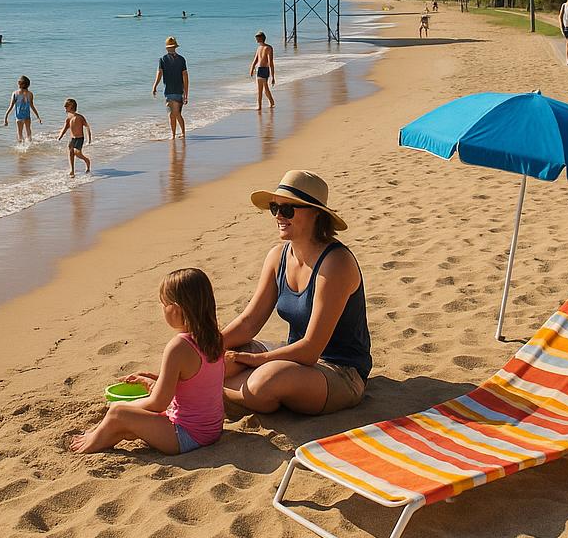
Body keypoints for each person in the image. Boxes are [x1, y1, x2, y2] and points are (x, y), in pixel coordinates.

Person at [221, 171, 371, 416]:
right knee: (218, 360)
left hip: (339, 370)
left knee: (263, 383)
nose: (279, 215)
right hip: (294, 360)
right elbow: (248, 322)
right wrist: (204, 347)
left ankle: (212, 391)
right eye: (275, 208)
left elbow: (311, 348)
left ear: (315, 214)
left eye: (288, 209)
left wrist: (255, 360)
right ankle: (221, 387)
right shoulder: (277, 256)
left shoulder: (336, 263)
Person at [70, 268, 225, 455]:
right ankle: (105, 433)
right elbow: (196, 384)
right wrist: (154, 382)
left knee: (118, 412)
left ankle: (91, 443)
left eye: (163, 304)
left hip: (187, 436)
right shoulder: (215, 338)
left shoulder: (179, 346)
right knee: (127, 427)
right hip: (212, 431)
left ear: (175, 310)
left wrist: (123, 406)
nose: (162, 308)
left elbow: (158, 403)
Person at [153, 36, 188, 139]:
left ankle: (174, 135)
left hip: (169, 91)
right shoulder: (181, 59)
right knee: (176, 114)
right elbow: (185, 77)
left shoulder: (163, 59)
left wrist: (154, 86)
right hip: (178, 91)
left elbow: (159, 74)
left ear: (167, 48)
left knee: (172, 114)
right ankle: (180, 133)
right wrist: (186, 93)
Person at [59, 98, 92, 176]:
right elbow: (65, 128)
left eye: (66, 106)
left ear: (72, 106)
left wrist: (89, 138)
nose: (65, 108)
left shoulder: (80, 117)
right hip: (72, 138)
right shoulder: (68, 118)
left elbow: (87, 126)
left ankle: (86, 160)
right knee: (70, 153)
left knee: (77, 153)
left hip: (80, 138)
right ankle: (72, 170)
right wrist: (60, 136)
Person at [4, 75, 41, 142]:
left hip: (19, 116)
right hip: (27, 116)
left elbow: (11, 106)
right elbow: (32, 106)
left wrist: (6, 117)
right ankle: (29, 145)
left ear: (20, 84)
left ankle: (21, 147)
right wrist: (38, 116)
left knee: (19, 132)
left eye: (18, 83)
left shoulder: (15, 93)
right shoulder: (30, 94)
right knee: (28, 130)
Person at [249, 32, 276, 110]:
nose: (256, 39)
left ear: (261, 38)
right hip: (259, 69)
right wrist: (252, 68)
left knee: (263, 88)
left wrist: (273, 76)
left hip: (264, 69)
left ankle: (265, 104)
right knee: (261, 88)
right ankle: (267, 103)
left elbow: (270, 62)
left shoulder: (268, 48)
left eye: (257, 38)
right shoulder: (259, 48)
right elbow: (255, 60)